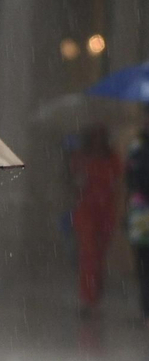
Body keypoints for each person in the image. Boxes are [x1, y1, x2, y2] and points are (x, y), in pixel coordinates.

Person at [70, 124, 122, 318]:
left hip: (105, 213)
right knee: (88, 255)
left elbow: (116, 179)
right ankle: (87, 297)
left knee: (98, 257)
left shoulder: (112, 157)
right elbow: (76, 181)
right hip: (87, 213)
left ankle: (94, 294)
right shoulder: (82, 157)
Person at [125, 114, 149, 326]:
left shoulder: (137, 150)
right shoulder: (137, 149)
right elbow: (130, 180)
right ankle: (146, 310)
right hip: (141, 214)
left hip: (140, 211)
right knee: (143, 263)